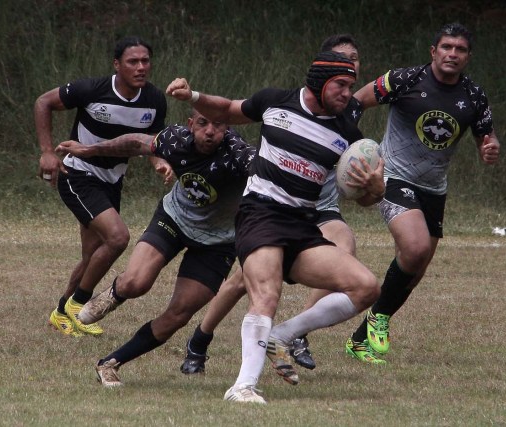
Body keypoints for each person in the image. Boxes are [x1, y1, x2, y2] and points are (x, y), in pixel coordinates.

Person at [166, 50, 385, 404]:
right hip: (260, 214)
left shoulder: (347, 132)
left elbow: (361, 197)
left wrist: (375, 190)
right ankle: (242, 386)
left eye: (351, 86)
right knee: (266, 295)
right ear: (320, 82)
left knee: (366, 287)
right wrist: (192, 97)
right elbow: (227, 110)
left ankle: (282, 335)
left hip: (302, 224)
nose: (348, 93)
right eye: (341, 85)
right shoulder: (276, 101)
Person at [54, 109, 255, 386]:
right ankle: (114, 293)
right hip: (174, 219)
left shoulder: (238, 155)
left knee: (178, 315)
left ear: (228, 127)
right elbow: (136, 143)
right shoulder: (176, 140)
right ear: (190, 124)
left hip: (218, 241)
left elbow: (272, 176)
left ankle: (110, 363)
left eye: (218, 125)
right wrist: (88, 149)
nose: (209, 131)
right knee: (136, 283)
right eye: (202, 123)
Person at [345, 22, 501, 364]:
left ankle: (359, 340)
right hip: (394, 177)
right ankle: (379, 318)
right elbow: (356, 102)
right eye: (446, 47)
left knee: (413, 272)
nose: (452, 54)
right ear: (433, 51)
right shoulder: (404, 80)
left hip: (434, 189)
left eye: (460, 49)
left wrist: (490, 148)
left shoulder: (474, 96)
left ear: (468, 57)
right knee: (413, 249)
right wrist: (349, 144)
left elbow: (486, 138)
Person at [35, 36, 170, 337]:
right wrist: (46, 151)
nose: (140, 67)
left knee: (93, 256)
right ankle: (79, 304)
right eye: (133, 61)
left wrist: (160, 162)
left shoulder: (154, 100)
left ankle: (60, 313)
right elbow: (43, 102)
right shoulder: (92, 90)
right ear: (117, 65)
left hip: (112, 181)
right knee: (118, 237)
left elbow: (151, 142)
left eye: (145, 61)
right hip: (78, 174)